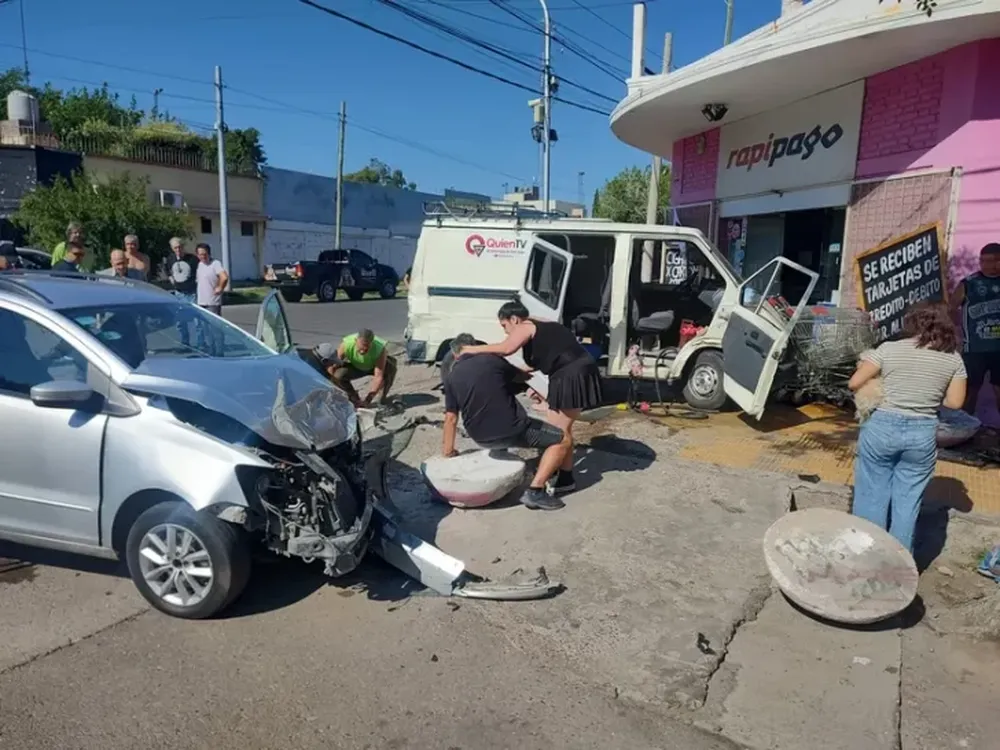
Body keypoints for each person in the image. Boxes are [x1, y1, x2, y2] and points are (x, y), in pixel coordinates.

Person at [848, 301, 967, 554]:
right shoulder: (953, 358)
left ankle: (866, 559)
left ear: (911, 322)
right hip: (922, 432)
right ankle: (896, 570)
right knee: (907, 503)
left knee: (872, 495)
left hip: (881, 426)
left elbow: (854, 382)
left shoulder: (889, 349)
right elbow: (955, 403)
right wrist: (931, 396)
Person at [457, 299, 603, 498]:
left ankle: (550, 482)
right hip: (567, 374)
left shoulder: (526, 325)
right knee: (561, 431)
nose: (506, 331)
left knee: (559, 433)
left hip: (571, 374)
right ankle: (565, 477)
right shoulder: (540, 326)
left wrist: (470, 349)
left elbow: (506, 348)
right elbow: (533, 365)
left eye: (505, 326)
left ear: (514, 319)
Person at [442, 333, 569, 511]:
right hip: (513, 430)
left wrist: (448, 451)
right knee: (561, 440)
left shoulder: (451, 377)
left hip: (480, 437)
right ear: (475, 346)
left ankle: (530, 471)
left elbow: (451, 418)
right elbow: (522, 378)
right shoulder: (491, 360)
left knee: (492, 419)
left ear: (455, 355)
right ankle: (535, 491)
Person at [950, 242, 1000, 417]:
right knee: (970, 390)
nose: (989, 265)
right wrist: (955, 334)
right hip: (975, 349)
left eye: (995, 260)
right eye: (984, 261)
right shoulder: (969, 283)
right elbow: (951, 308)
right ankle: (965, 428)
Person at [323, 329, 397, 407]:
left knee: (390, 369)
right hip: (356, 366)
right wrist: (331, 384)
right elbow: (332, 365)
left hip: (373, 366)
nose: (362, 352)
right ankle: (354, 399)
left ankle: (382, 399)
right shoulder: (346, 345)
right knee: (338, 375)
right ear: (355, 341)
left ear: (372, 343)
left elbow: (378, 376)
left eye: (366, 349)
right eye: (360, 348)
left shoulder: (379, 349)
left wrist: (368, 400)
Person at [195, 243, 228, 315]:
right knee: (202, 325)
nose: (203, 256)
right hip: (201, 302)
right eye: (200, 254)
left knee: (212, 324)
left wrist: (220, 287)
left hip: (212, 303)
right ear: (197, 255)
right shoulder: (199, 265)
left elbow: (224, 277)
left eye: (205, 254)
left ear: (209, 253)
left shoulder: (215, 263)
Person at [167, 237, 199, 301]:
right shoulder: (170, 259)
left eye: (179, 247)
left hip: (192, 293)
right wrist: (171, 278)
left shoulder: (192, 258)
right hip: (179, 293)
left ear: (183, 246)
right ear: (172, 248)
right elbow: (168, 270)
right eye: (175, 248)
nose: (178, 249)